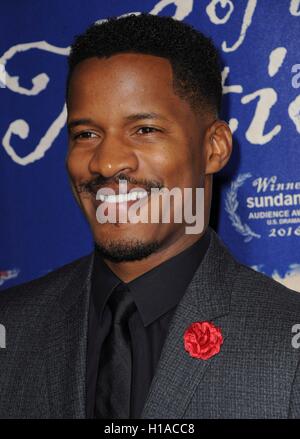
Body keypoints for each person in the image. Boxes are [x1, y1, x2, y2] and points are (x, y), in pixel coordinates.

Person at [0, 13, 300, 419]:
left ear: (214, 148)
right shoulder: (12, 328)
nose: (106, 163)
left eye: (144, 129)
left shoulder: (287, 341)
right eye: (86, 134)